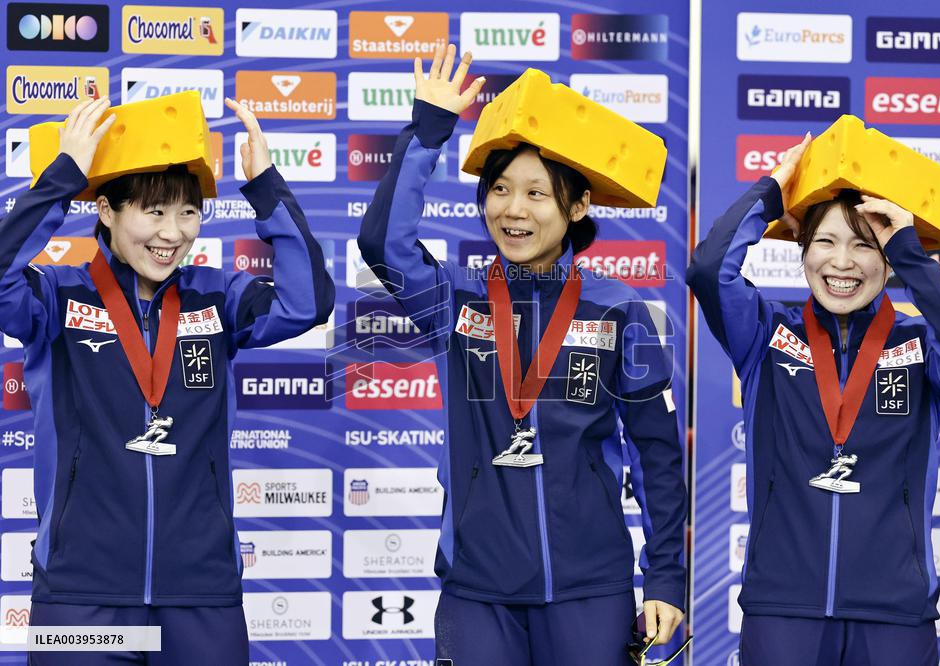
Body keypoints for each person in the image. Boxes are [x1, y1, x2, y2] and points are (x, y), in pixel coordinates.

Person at [358, 44, 687, 665]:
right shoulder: (453, 300)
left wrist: (666, 576)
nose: (513, 209)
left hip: (591, 589)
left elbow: (657, 456)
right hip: (477, 590)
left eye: (537, 194)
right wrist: (428, 129)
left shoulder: (619, 311)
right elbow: (382, 243)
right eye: (500, 189)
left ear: (578, 206)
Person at [0, 96, 335, 664]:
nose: (173, 233)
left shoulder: (218, 295)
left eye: (188, 212)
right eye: (153, 212)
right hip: (83, 594)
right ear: (106, 211)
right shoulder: (58, 297)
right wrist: (62, 179)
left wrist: (266, 188)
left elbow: (309, 303)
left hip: (201, 594)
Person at [687, 134, 940, 666]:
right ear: (803, 250)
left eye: (864, 245)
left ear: (888, 259)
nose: (843, 263)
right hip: (783, 607)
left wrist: (908, 249)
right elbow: (709, 270)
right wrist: (770, 195)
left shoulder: (920, 347)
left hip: (895, 613)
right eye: (825, 242)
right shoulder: (766, 334)